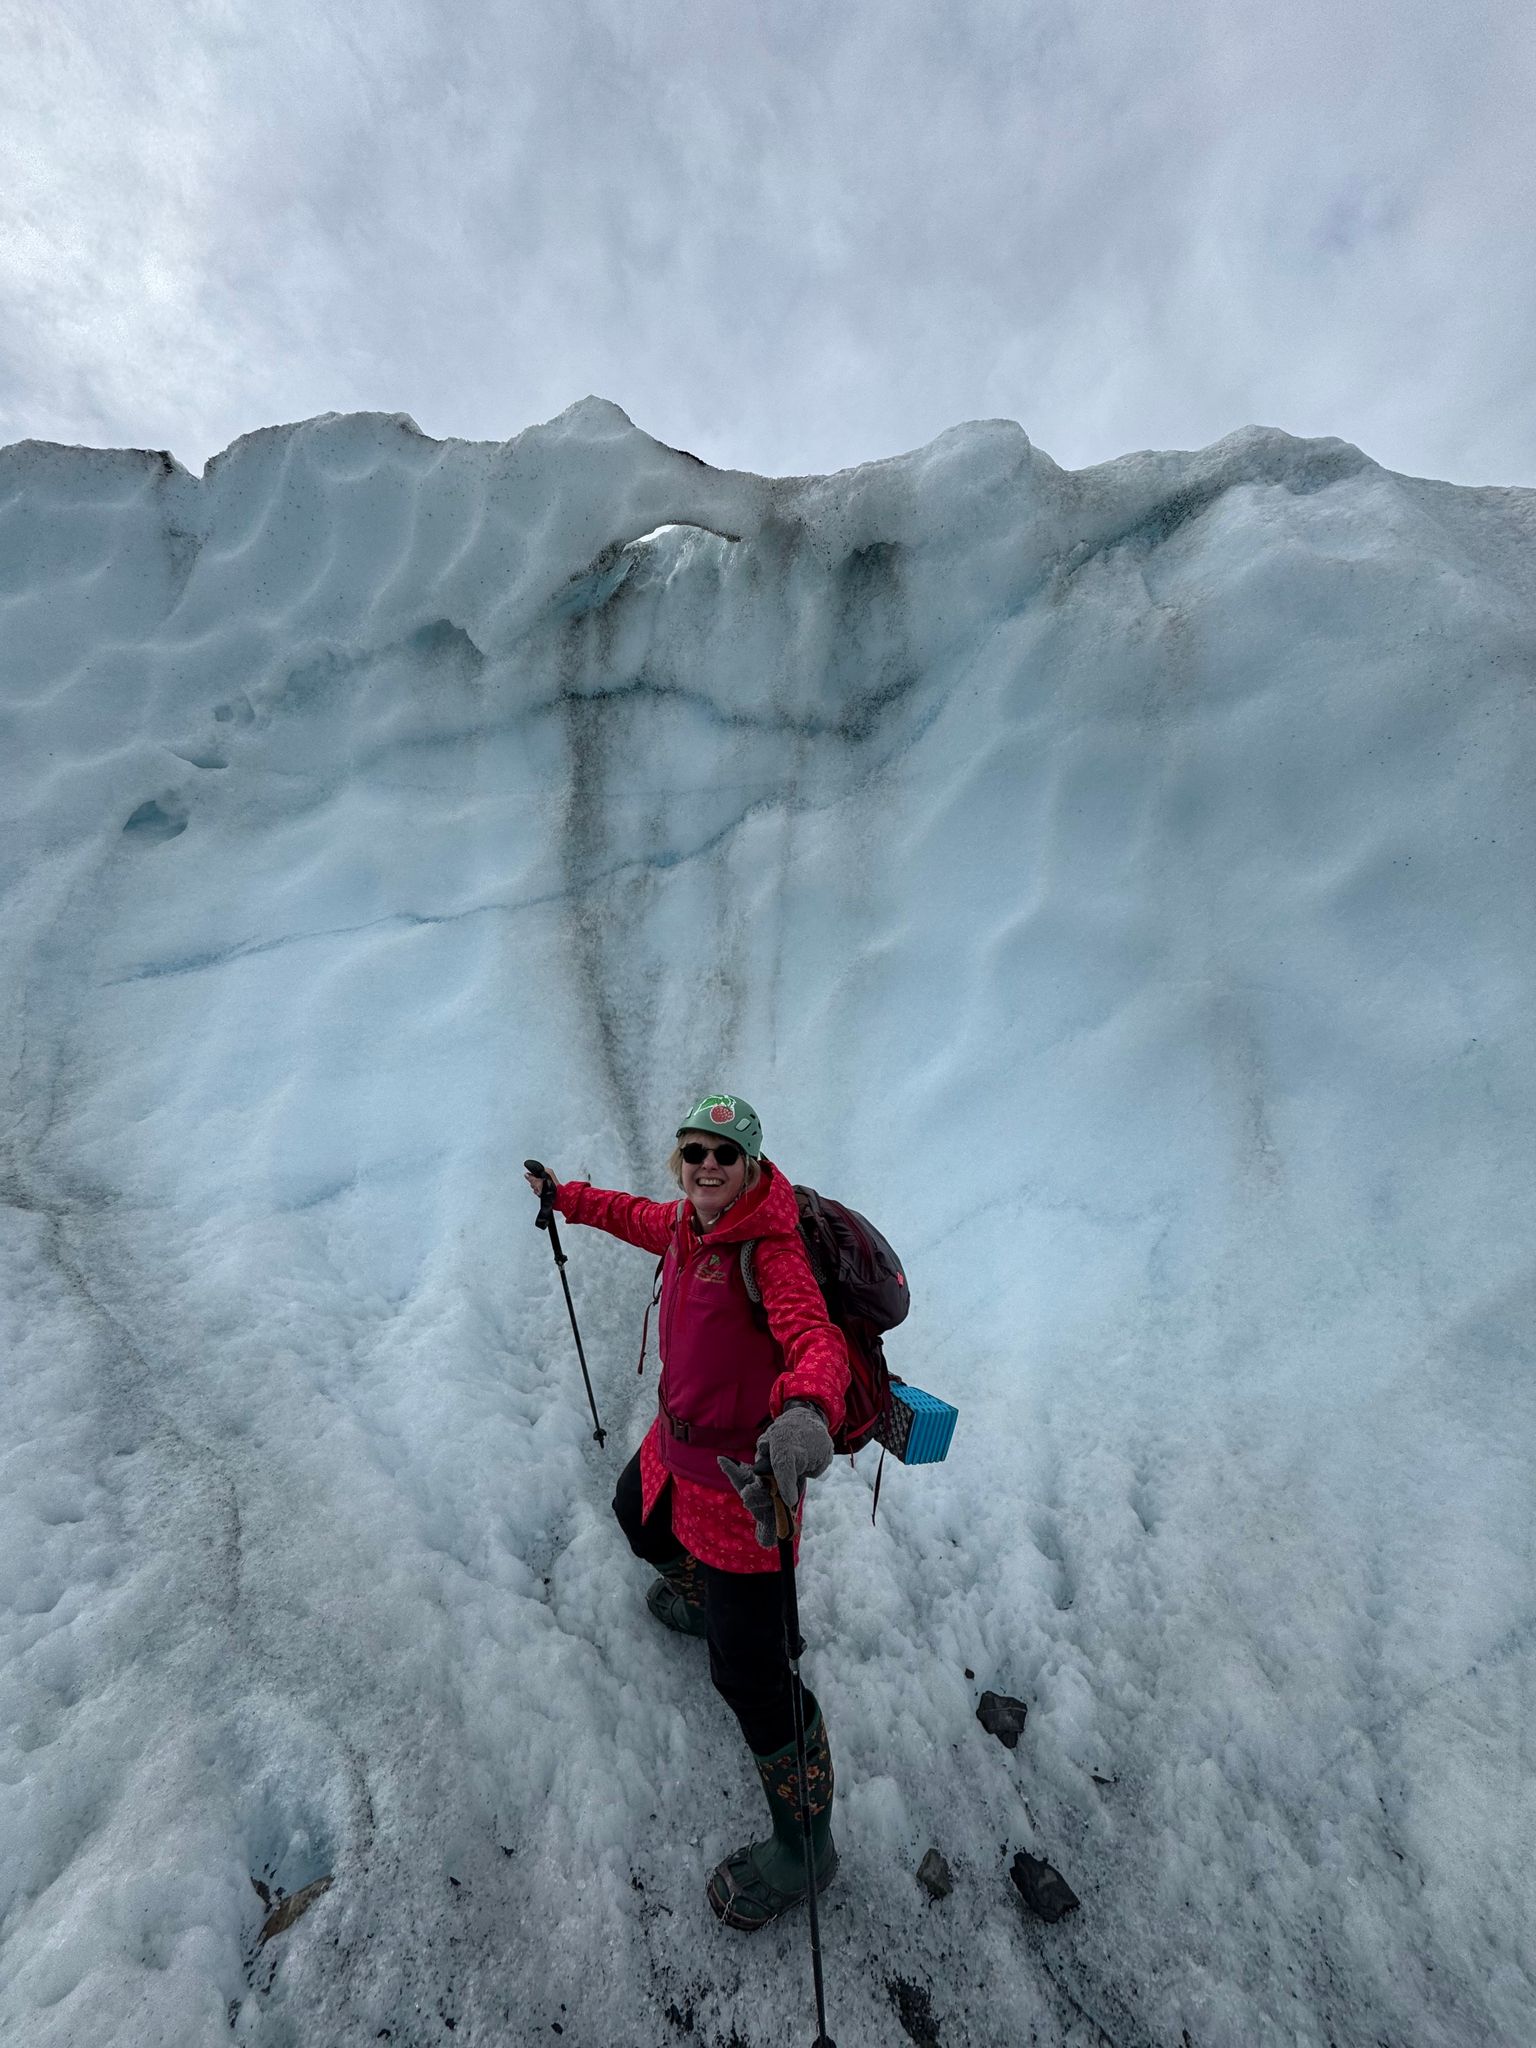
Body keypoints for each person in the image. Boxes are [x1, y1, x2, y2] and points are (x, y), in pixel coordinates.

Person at [524, 1092, 849, 1931]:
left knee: (753, 1679)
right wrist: (565, 1198)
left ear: (750, 1165)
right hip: (677, 1455)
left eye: (724, 1155)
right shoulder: (686, 1225)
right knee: (636, 1517)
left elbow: (815, 1339)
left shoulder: (770, 1252)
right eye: (695, 1153)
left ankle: (807, 1844)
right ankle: (701, 1599)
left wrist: (808, 1411)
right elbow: (628, 1213)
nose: (708, 1167)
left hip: (747, 1495)